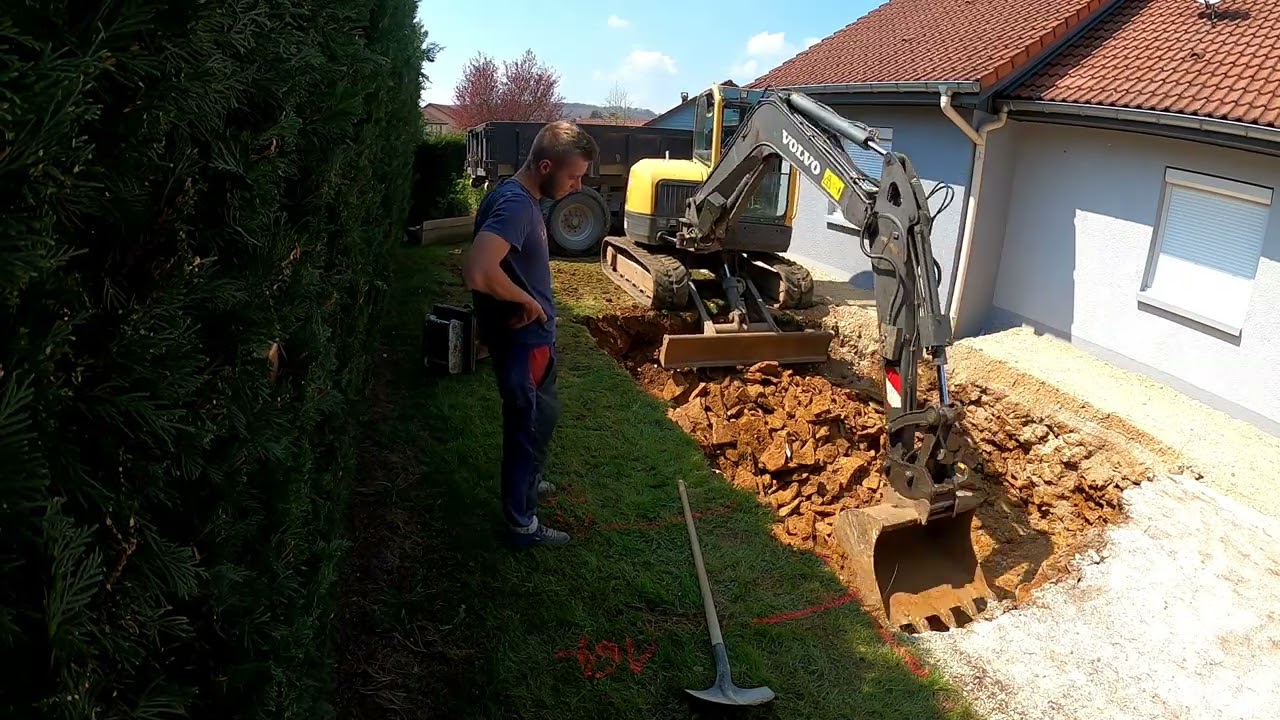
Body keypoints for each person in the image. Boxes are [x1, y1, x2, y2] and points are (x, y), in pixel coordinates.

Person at [462, 120, 598, 548]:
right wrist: (526, 301)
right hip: (524, 344)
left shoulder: (518, 196)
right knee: (527, 427)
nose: (577, 186)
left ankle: (530, 482)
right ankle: (523, 524)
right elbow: (477, 269)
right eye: (573, 176)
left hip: (533, 340)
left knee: (544, 417)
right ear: (544, 165)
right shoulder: (517, 206)